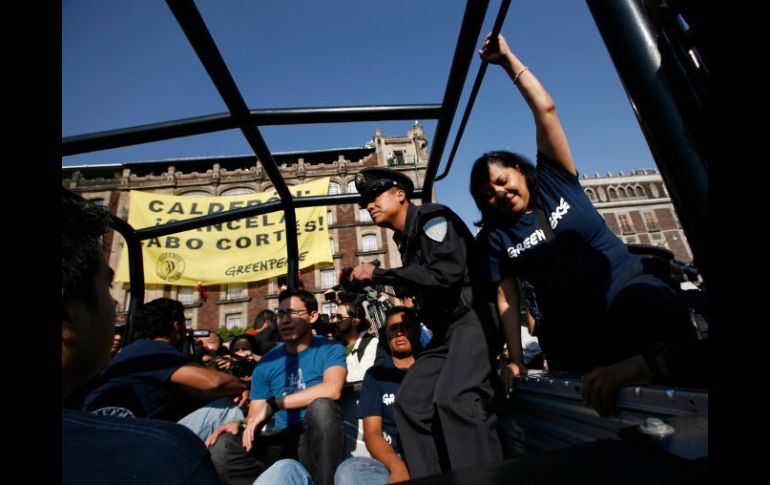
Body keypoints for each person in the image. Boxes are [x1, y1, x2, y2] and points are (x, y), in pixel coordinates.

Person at [470, 33, 698, 415]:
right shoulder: (496, 237)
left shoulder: (557, 180)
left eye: (501, 180)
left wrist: (508, 61)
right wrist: (515, 358)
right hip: (573, 337)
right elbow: (507, 300)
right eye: (487, 194)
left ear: (519, 171)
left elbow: (546, 110)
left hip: (628, 298)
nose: (498, 193)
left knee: (647, 311)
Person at [350, 167, 502, 477]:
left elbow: (445, 273)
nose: (369, 206)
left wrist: (379, 274)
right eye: (365, 202)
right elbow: (417, 283)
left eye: (375, 196)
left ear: (401, 194)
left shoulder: (432, 217)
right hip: (446, 331)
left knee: (456, 398)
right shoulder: (404, 240)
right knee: (411, 401)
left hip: (473, 318)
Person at [61, 188, 219, 483]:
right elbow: (212, 383)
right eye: (107, 288)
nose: (115, 304)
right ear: (68, 310)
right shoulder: (166, 456)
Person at [206, 289, 347, 485]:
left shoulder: (330, 348)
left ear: (313, 316)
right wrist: (241, 423)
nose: (285, 320)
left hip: (313, 436)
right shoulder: (267, 362)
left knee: (322, 406)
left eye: (292, 314)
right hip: (277, 439)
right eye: (281, 315)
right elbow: (256, 414)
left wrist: (276, 403)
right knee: (223, 447)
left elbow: (332, 389)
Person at [82, 297, 249, 440]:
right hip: (135, 441)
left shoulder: (134, 351)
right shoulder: (153, 350)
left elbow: (197, 393)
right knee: (226, 408)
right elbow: (214, 383)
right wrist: (245, 386)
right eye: (185, 323)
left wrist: (232, 387)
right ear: (176, 326)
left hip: (111, 438)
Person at [334, 306, 422, 485]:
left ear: (417, 330)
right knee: (348, 471)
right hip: (391, 458)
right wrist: (397, 466)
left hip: (428, 454)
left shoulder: (432, 367)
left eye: (405, 327)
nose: (399, 333)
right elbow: (372, 433)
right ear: (386, 335)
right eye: (393, 328)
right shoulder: (376, 375)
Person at [329, 294, 379, 383]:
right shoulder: (335, 347)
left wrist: (335, 377)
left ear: (355, 322)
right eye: (333, 316)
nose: (334, 321)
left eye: (340, 317)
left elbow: (363, 376)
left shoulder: (371, 343)